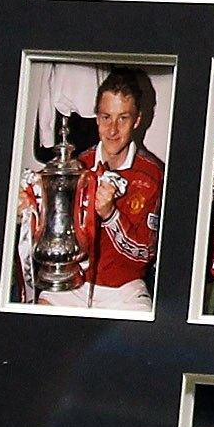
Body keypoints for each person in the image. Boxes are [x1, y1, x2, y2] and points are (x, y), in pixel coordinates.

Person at [69, 66, 163, 311]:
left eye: (123, 118)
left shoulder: (152, 175)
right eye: (106, 117)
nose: (112, 130)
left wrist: (111, 215)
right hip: (73, 284)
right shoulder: (77, 166)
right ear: (97, 118)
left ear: (137, 120)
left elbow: (145, 253)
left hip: (125, 289)